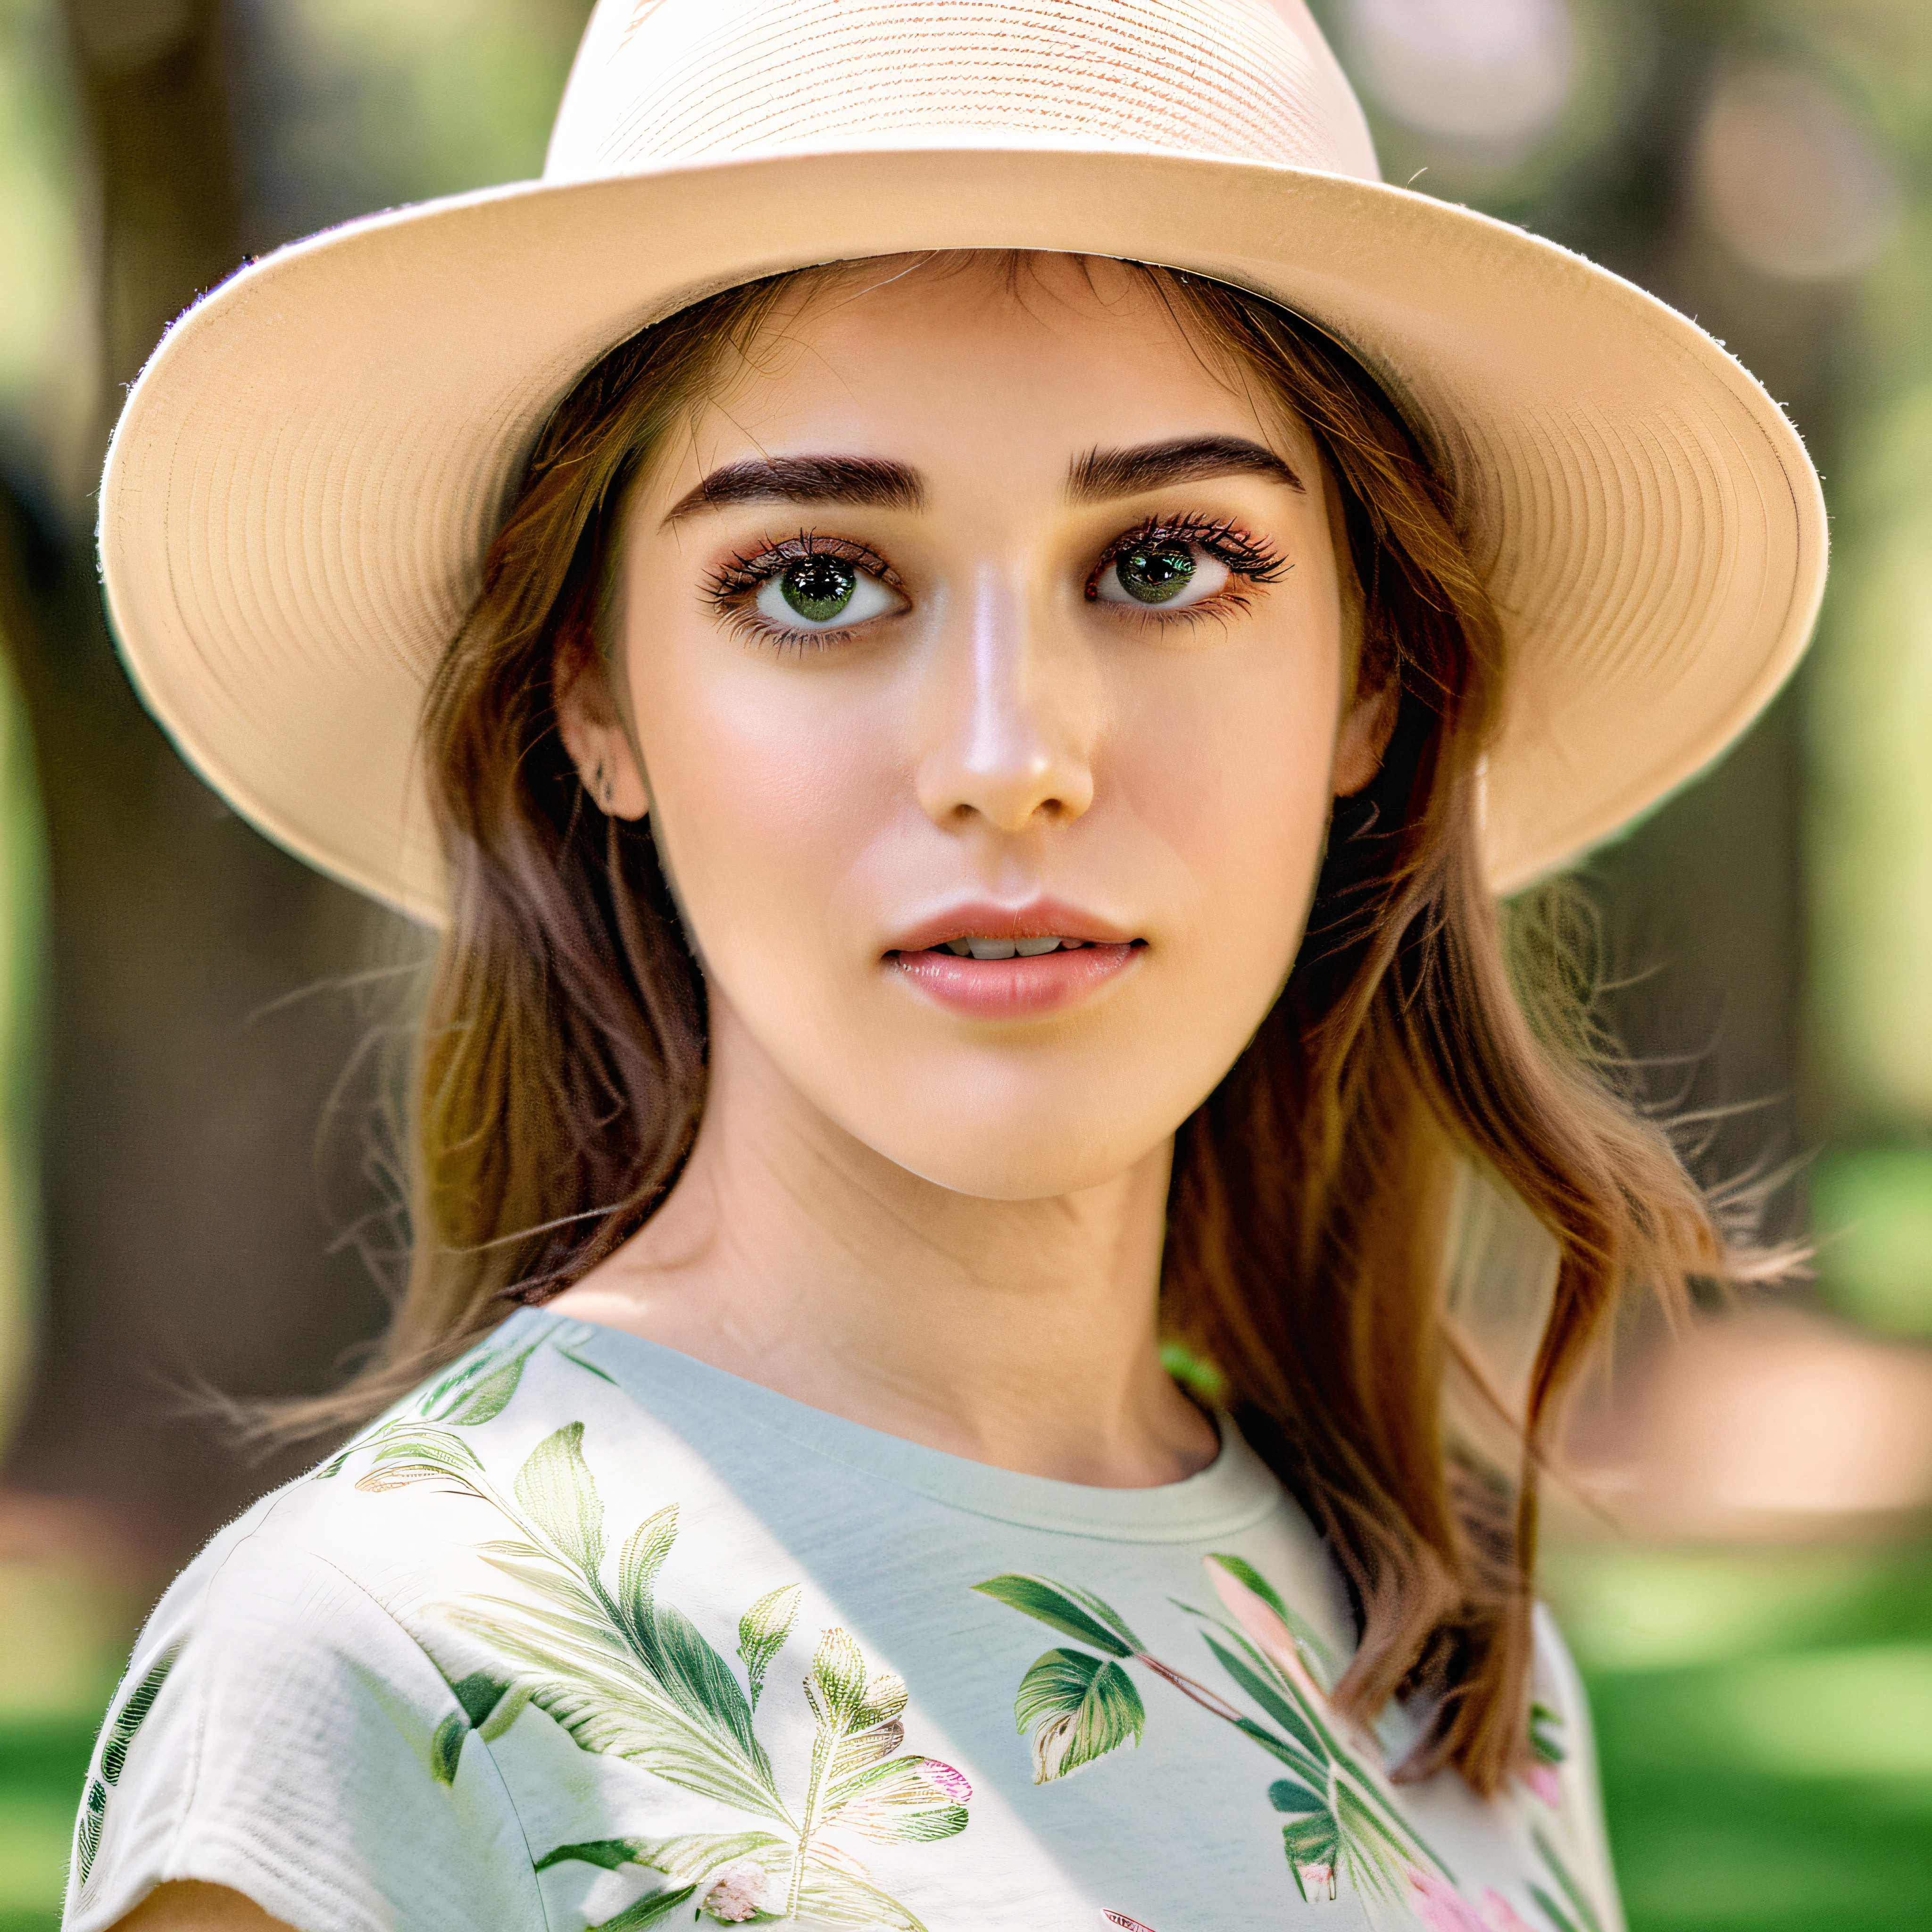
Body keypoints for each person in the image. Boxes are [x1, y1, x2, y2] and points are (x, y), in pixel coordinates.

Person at [68, 3, 1824, 1929]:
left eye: (1162, 561)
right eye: (816, 579)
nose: (1009, 755)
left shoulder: (1449, 1672)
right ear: (595, 696)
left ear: (1372, 679)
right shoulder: (371, 1687)